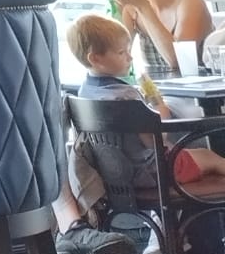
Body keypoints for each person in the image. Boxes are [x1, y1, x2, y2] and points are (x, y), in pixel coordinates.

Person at [68, 11, 225, 194]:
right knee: (210, 156)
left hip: (114, 178)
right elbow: (156, 140)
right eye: (121, 52)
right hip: (153, 172)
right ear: (95, 58)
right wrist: (158, 103)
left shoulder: (85, 92)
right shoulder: (126, 96)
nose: (130, 57)